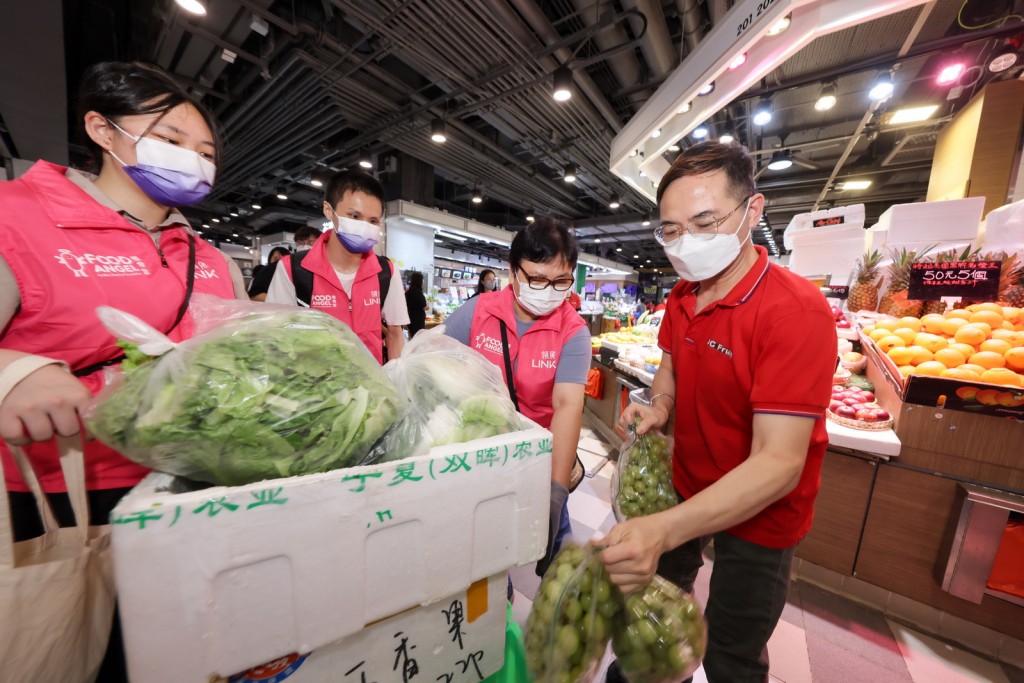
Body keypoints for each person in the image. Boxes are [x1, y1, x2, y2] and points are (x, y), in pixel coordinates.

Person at [0, 61, 244, 681]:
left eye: (206, 152)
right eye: (170, 139)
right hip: (58, 514)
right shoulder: (17, 218)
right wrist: (12, 371)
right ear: (103, 132)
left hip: (192, 501)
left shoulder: (211, 260)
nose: (193, 159)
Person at [599, 142, 836, 683]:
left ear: (752, 211)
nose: (686, 243)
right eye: (671, 230)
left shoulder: (794, 311)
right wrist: (659, 405)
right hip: (688, 482)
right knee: (658, 604)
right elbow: (670, 368)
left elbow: (779, 464)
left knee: (732, 651)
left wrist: (661, 528)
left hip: (764, 513)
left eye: (704, 221)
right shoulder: (683, 296)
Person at [443, 218, 590, 574]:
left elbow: (567, 406)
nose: (548, 290)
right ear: (512, 272)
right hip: (479, 455)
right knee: (484, 558)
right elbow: (440, 384)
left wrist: (556, 491)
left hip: (542, 459)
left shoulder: (573, 332)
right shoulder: (475, 315)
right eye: (537, 279)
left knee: (557, 554)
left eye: (561, 282)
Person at [267, 170, 409, 363]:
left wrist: (396, 383)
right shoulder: (294, 269)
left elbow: (395, 333)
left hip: (372, 387)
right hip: (316, 386)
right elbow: (276, 337)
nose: (364, 226)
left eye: (373, 221)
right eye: (354, 216)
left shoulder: (386, 272)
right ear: (328, 210)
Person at [404, 271, 428, 339]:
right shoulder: (418, 292)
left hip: (410, 319)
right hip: (417, 321)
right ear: (420, 281)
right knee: (418, 338)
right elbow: (424, 307)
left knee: (412, 337)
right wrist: (427, 306)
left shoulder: (408, 292)